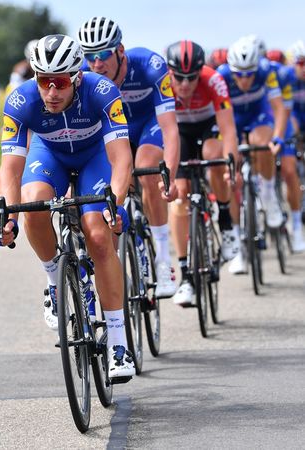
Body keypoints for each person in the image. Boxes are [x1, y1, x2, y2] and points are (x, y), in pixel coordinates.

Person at [0, 34, 135, 379]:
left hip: (95, 157)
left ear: (77, 77)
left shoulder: (102, 91)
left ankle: (118, 342)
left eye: (60, 82)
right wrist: (7, 216)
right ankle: (54, 279)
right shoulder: (20, 100)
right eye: (44, 82)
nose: (52, 92)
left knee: (98, 235)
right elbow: (10, 169)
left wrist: (115, 203)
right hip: (50, 156)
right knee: (32, 204)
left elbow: (121, 159)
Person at [77, 16, 180, 299]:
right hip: (114, 134)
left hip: (148, 125)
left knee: (147, 166)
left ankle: (163, 260)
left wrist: (169, 175)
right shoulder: (83, 75)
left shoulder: (150, 65)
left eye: (103, 54)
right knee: (111, 189)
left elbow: (170, 129)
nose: (96, 63)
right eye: (90, 56)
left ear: (120, 50)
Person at [165, 40, 239, 306]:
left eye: (191, 78)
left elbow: (228, 129)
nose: (185, 84)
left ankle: (226, 221)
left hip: (209, 126)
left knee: (213, 156)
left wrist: (231, 166)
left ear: (200, 72)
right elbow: (164, 131)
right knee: (180, 196)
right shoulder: (162, 83)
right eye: (179, 78)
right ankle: (186, 275)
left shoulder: (214, 80)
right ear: (170, 73)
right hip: (179, 132)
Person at [218, 36, 289, 273]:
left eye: (250, 74)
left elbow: (279, 108)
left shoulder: (266, 71)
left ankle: (268, 194)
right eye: (239, 74)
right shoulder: (222, 76)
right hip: (233, 121)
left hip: (259, 115)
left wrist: (278, 137)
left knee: (263, 142)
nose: (245, 79)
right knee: (230, 177)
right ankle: (238, 246)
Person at [264, 43, 305, 252]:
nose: (304, 68)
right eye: (301, 63)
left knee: (289, 170)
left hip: (289, 120)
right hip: (275, 119)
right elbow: (286, 114)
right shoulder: (283, 75)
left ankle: (296, 225)